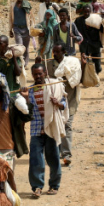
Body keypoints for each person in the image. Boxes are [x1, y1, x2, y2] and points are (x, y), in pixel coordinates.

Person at [27, 64, 67, 198]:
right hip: (36, 129)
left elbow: (64, 105)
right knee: (35, 159)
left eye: (40, 74)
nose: (38, 77)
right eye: (35, 74)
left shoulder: (53, 87)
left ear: (45, 73)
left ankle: (54, 185)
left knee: (53, 158)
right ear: (32, 75)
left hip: (51, 127)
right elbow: (27, 110)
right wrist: (25, 96)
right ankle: (37, 187)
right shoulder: (30, 91)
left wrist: (57, 103)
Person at [45, 43, 82, 167]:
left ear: (64, 52)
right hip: (56, 100)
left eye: (57, 52)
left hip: (70, 99)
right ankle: (59, 151)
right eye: (54, 52)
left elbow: (79, 78)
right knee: (57, 124)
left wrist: (85, 64)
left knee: (68, 125)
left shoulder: (73, 64)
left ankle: (66, 154)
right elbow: (45, 80)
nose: (55, 54)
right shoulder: (49, 65)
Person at [74, 5, 104, 74]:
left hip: (95, 44)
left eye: (88, 12)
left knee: (97, 65)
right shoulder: (78, 20)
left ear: (91, 12)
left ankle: (96, 76)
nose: (86, 14)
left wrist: (103, 19)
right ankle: (84, 79)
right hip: (84, 45)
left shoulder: (96, 20)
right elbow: (74, 30)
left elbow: (103, 30)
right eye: (85, 12)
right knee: (84, 63)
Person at [8, 0, 32, 65]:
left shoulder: (27, 5)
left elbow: (31, 17)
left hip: (26, 29)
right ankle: (20, 63)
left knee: (26, 47)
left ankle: (25, 64)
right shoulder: (13, 6)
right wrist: (10, 30)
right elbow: (10, 18)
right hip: (17, 28)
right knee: (19, 47)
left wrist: (31, 29)